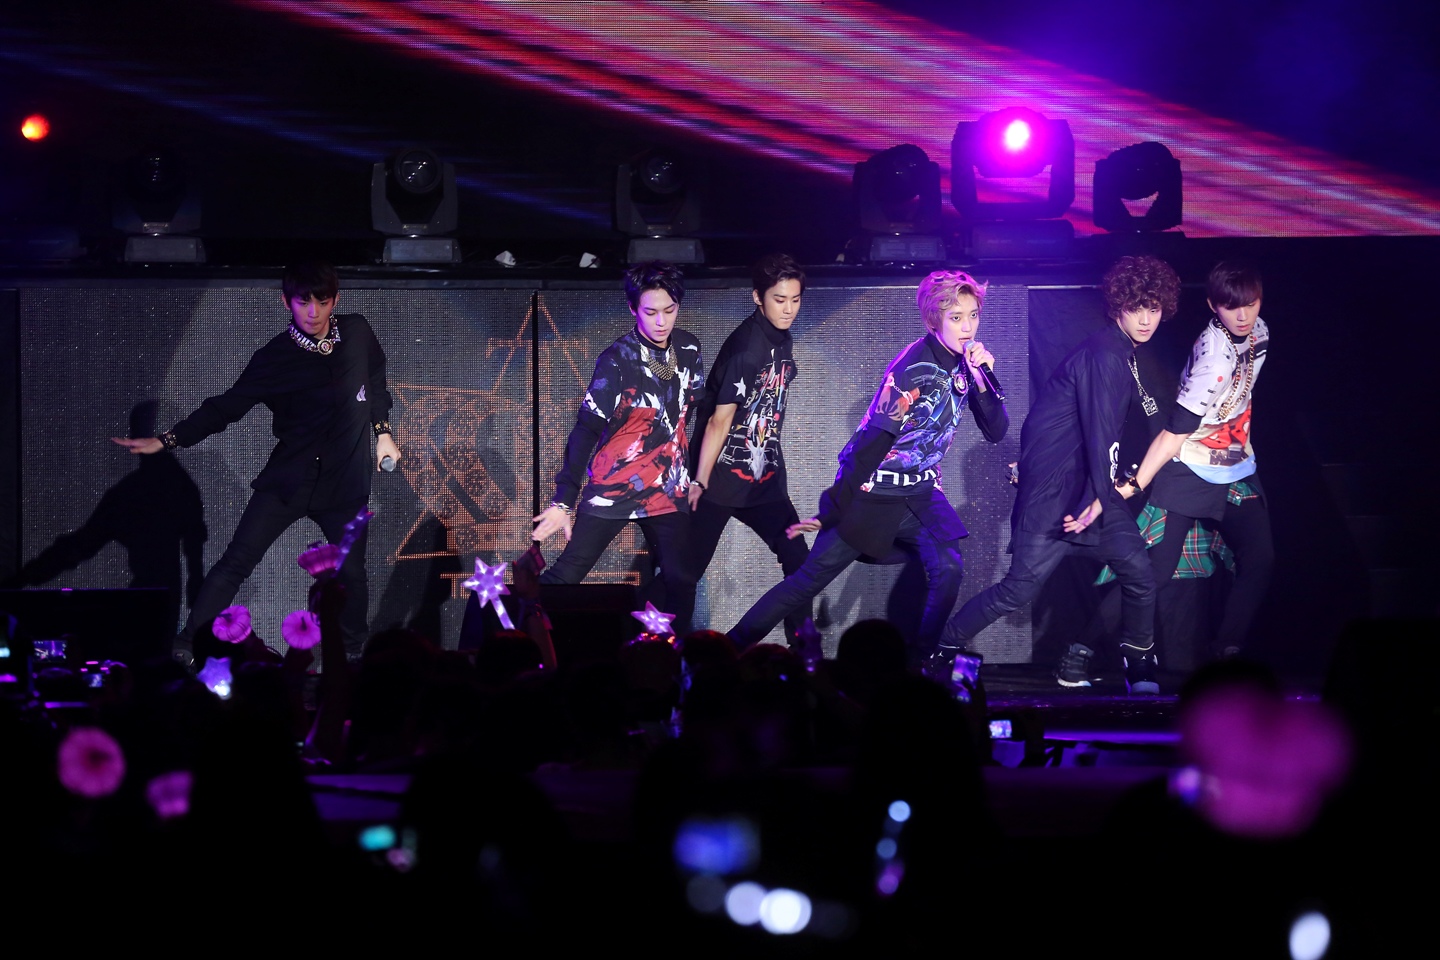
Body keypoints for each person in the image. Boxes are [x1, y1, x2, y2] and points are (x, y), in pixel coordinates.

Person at [112, 261, 398, 661]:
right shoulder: (275, 357)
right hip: (290, 482)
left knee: (351, 573)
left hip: (345, 484)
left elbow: (376, 378)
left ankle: (350, 658)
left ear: (336, 300)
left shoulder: (357, 332)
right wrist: (168, 439)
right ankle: (186, 645)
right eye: (303, 302)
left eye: (322, 301)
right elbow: (225, 407)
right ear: (286, 302)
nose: (313, 312)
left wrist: (382, 431)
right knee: (237, 561)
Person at [728, 270, 1008, 666]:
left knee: (949, 568)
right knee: (807, 581)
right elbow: (875, 439)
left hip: (920, 493)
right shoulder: (914, 368)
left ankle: (922, 661)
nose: (967, 327)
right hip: (873, 492)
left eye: (973, 315)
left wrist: (981, 378)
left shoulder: (967, 364)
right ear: (934, 320)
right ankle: (725, 652)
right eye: (956, 317)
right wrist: (837, 502)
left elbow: (996, 430)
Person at [937, 256, 1178, 693]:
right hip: (1057, 496)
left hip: (1092, 490)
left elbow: (1062, 426)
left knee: (1140, 575)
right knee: (1018, 590)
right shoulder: (1105, 354)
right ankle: (942, 653)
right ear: (1117, 306)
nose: (1146, 319)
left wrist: (1099, 495)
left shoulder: (1119, 351)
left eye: (1154, 308)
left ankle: (1140, 665)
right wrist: (1094, 491)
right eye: (1136, 307)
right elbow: (1100, 432)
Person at [531, 261, 704, 635]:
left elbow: (690, 412)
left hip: (667, 487)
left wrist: (695, 476)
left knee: (681, 580)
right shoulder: (616, 361)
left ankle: (666, 655)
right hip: (615, 485)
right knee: (567, 574)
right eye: (651, 312)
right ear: (633, 308)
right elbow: (585, 430)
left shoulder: (689, 349)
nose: (661, 321)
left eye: (670, 310)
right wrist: (563, 502)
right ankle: (515, 636)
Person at [1119, 261, 1274, 659]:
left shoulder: (1260, 332)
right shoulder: (1213, 362)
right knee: (1156, 571)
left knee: (1259, 559)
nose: (1243, 315)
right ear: (1212, 306)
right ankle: (1083, 647)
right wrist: (1134, 485)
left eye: (1251, 303)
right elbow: (1175, 433)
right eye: (1231, 306)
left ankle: (1227, 647)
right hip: (1189, 464)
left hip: (1235, 465)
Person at [687, 253, 815, 648]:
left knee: (800, 562)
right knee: (684, 574)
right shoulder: (747, 349)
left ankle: (802, 653)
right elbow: (718, 420)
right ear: (757, 297)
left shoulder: (781, 336)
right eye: (779, 299)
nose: (789, 309)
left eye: (795, 299)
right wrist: (699, 481)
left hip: (763, 483)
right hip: (719, 480)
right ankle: (652, 652)